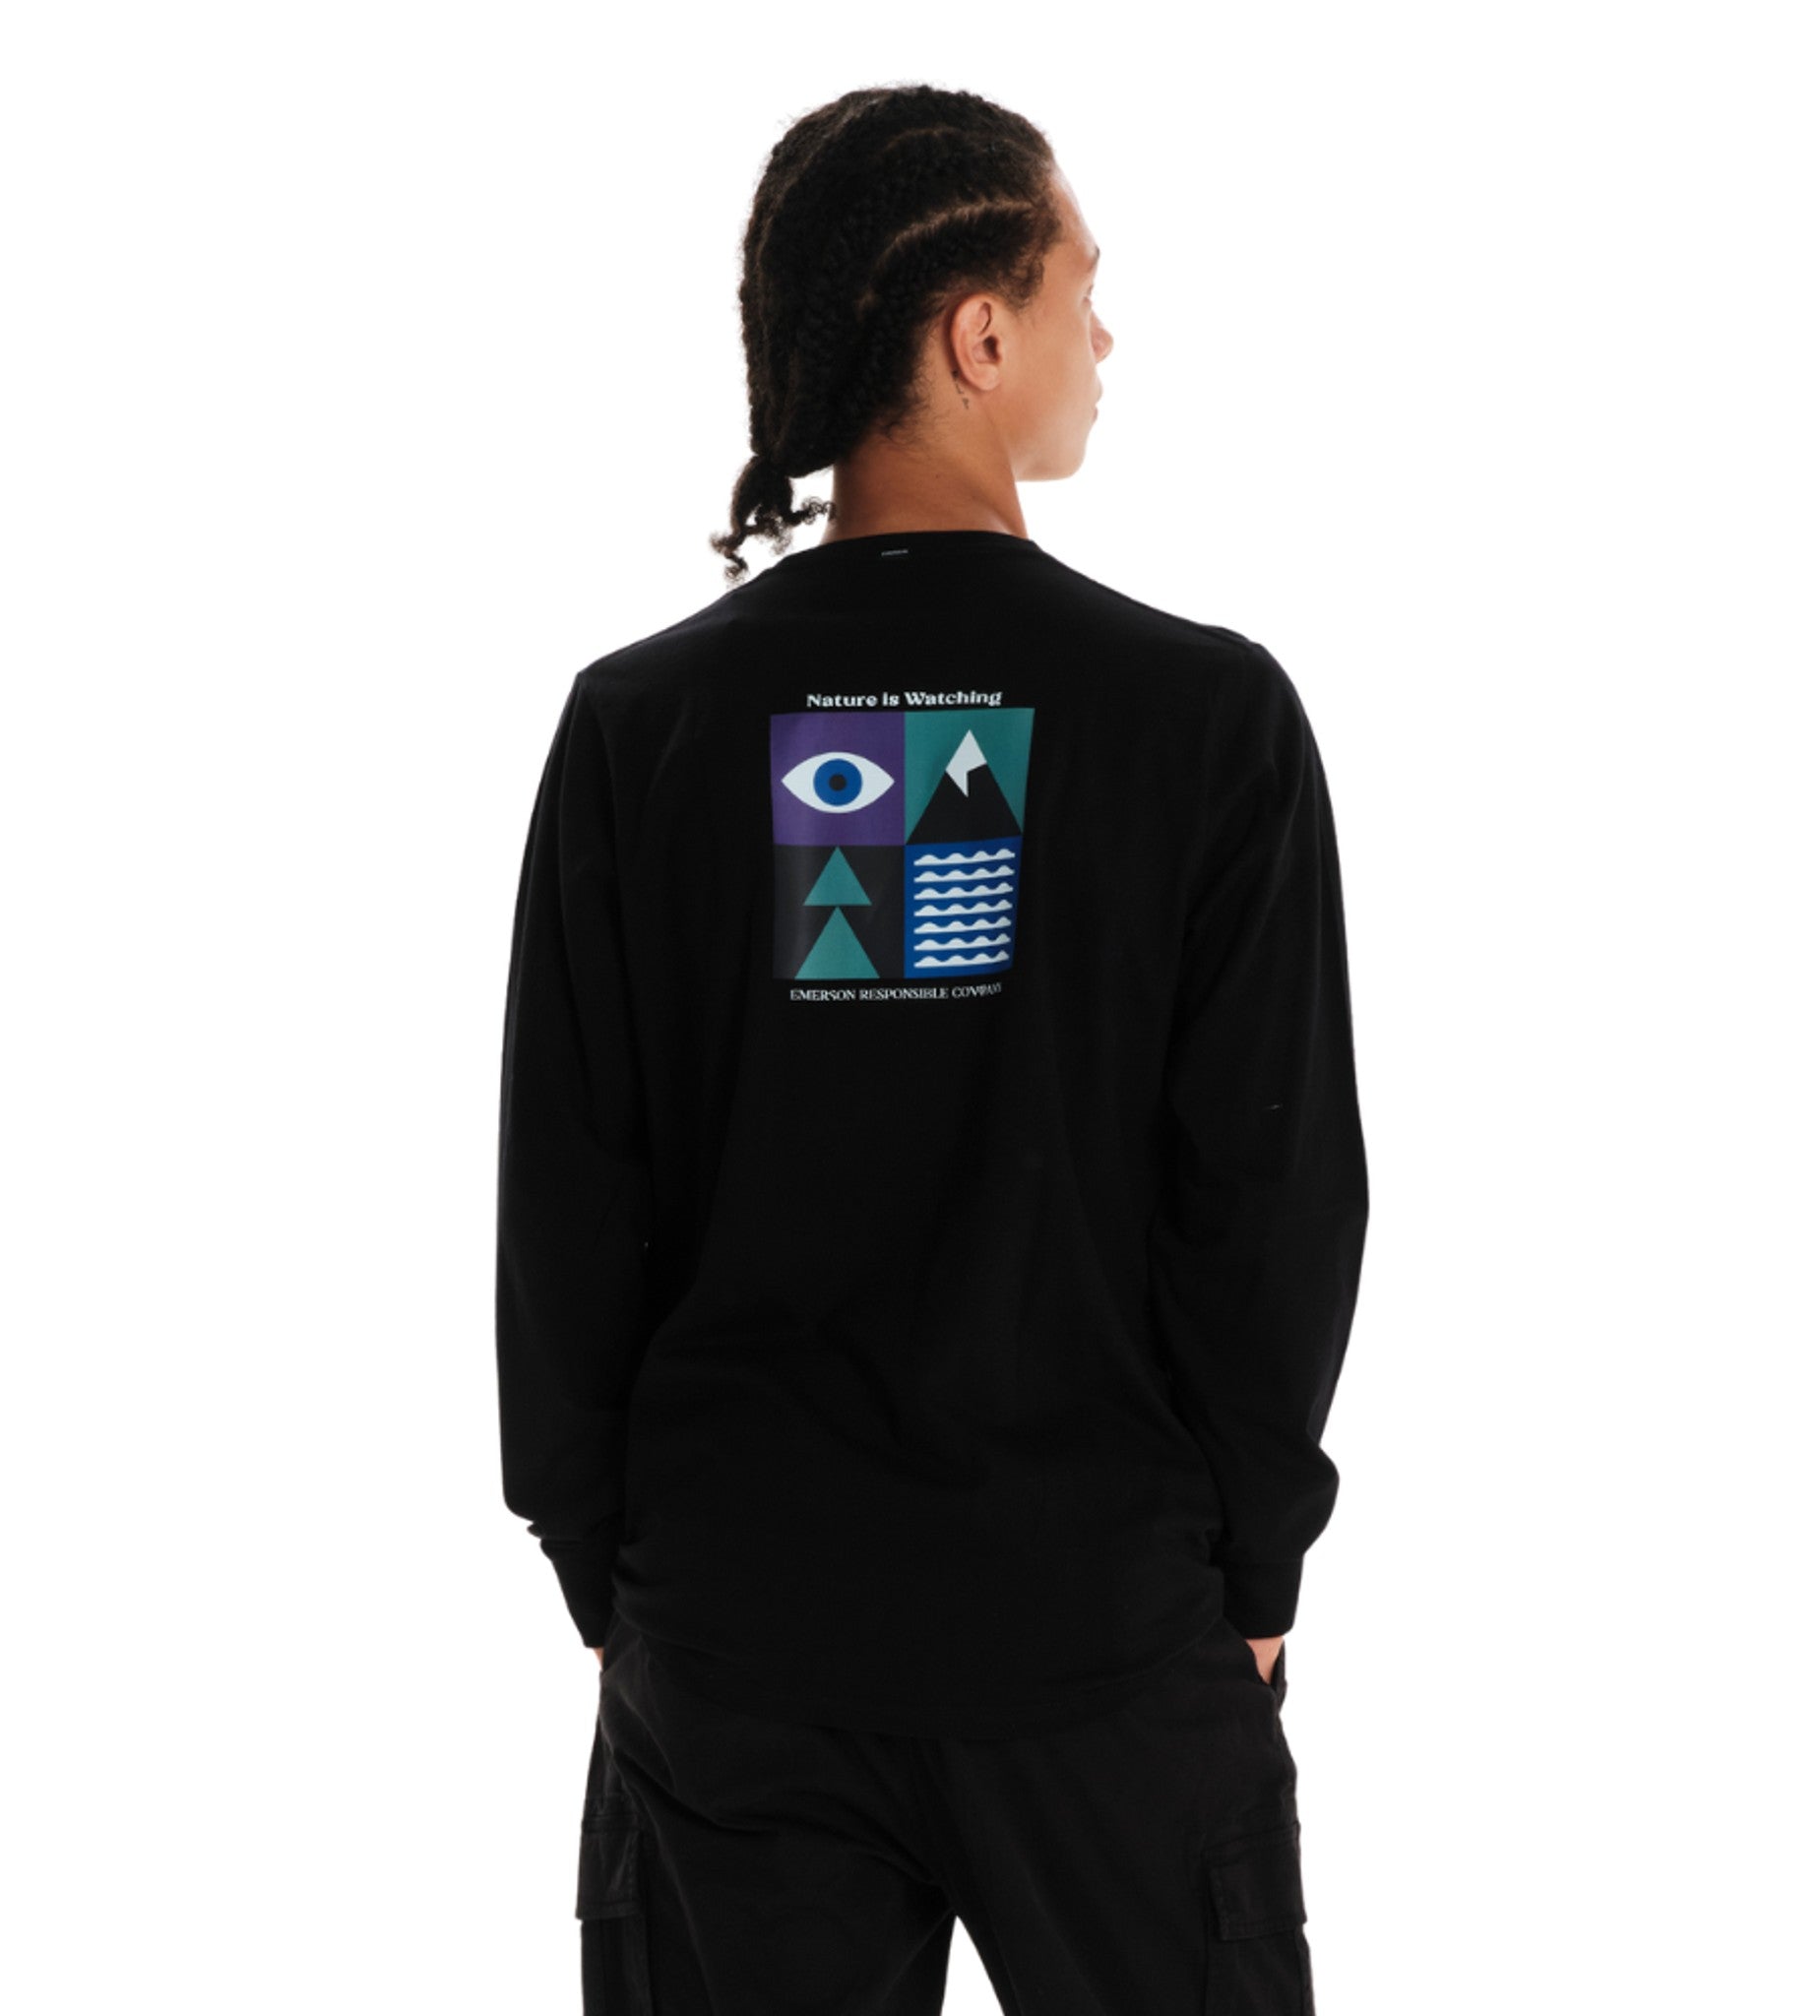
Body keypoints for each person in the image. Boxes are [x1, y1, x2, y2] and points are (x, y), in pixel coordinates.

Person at [495, 83, 1369, 2014]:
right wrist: (1250, 1577)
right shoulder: (1200, 718)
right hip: (1102, 1630)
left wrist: (605, 1562)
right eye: (1079, 290)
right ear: (980, 333)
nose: (1104, 338)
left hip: (738, 1641)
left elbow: (566, 1191)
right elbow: (1270, 1196)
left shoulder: (642, 727)